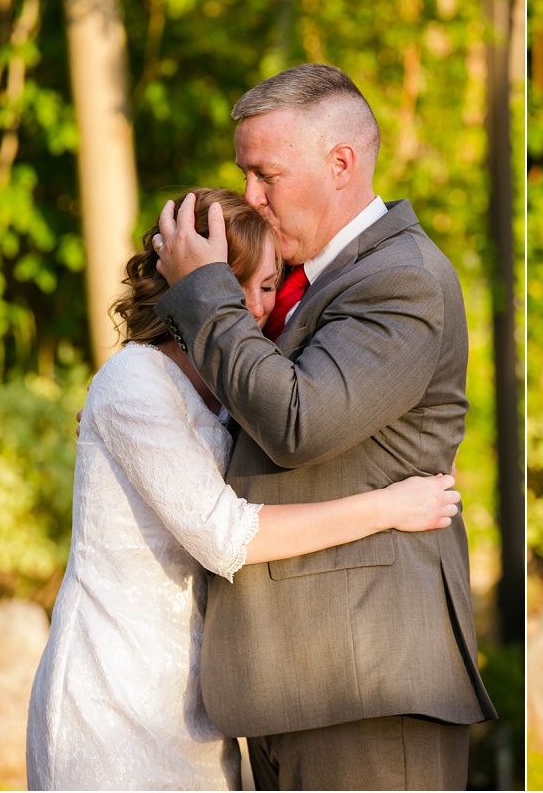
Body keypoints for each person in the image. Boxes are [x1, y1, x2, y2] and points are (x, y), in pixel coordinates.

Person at [26, 188, 462, 791]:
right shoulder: (133, 381)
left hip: (201, 698)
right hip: (116, 685)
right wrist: (388, 506)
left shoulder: (225, 397)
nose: (257, 309)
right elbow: (226, 534)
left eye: (270, 287)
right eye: (242, 287)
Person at [152, 65, 496, 790]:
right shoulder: (329, 278)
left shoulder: (400, 278)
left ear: (340, 163)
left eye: (265, 174)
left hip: (366, 679)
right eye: (244, 174)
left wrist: (203, 292)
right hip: (305, 679)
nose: (250, 196)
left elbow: (301, 422)